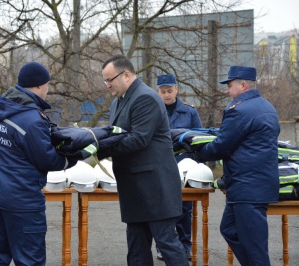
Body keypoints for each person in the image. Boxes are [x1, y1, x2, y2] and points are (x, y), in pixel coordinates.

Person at [98, 54, 189, 266]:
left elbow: (138, 139)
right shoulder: (117, 102)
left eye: (110, 79)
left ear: (126, 75)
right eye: (105, 80)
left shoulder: (144, 97)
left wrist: (98, 147)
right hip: (135, 188)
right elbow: (115, 134)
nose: (107, 84)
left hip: (155, 187)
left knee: (167, 244)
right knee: (137, 249)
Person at [0, 62, 77, 265]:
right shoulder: (31, 119)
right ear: (38, 86)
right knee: (30, 260)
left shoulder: (2, 109)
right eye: (47, 85)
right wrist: (73, 158)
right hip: (22, 201)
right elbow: (46, 159)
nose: (47, 89)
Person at [196, 66, 280, 266]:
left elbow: (221, 146)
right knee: (230, 229)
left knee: (255, 247)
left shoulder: (240, 110)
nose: (227, 91)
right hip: (250, 186)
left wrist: (196, 152)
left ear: (243, 85)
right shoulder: (267, 106)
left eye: (230, 85)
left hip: (248, 188)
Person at [155, 73, 203, 261]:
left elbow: (199, 139)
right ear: (157, 92)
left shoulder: (190, 112)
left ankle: (185, 245)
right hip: (161, 166)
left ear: (176, 89)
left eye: (169, 90)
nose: (166, 94)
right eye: (163, 91)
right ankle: (162, 247)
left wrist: (197, 167)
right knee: (162, 209)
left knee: (185, 209)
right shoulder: (154, 110)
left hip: (185, 167)